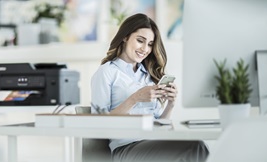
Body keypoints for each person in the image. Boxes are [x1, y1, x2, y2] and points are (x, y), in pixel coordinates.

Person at [90, 13, 210, 162]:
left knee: (199, 146)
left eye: (150, 44)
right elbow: (97, 122)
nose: (145, 49)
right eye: (140, 41)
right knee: (194, 147)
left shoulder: (148, 75)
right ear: (125, 37)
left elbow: (160, 124)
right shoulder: (106, 72)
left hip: (154, 140)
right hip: (126, 148)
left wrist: (170, 104)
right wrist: (135, 98)